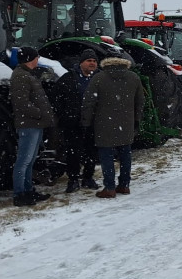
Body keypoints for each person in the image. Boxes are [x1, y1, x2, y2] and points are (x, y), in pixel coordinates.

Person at [81, 55, 144, 198]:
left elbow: (89, 102)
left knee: (106, 156)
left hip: (104, 123)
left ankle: (109, 187)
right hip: (126, 122)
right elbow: (140, 100)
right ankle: (124, 185)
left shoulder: (99, 78)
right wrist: (136, 118)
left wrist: (86, 122)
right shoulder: (133, 77)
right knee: (125, 154)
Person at [8, 47, 54, 206]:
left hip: (35, 123)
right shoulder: (21, 76)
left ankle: (28, 191)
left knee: (30, 160)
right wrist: (39, 113)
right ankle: (19, 194)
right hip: (29, 124)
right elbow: (21, 103)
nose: (38, 59)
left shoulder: (26, 75)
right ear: (30, 59)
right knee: (24, 160)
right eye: (36, 57)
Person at [51, 49, 100, 193]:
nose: (92, 63)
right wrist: (64, 114)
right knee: (73, 152)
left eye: (94, 61)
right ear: (81, 63)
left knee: (91, 151)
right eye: (89, 61)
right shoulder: (69, 78)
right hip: (73, 122)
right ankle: (73, 180)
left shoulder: (100, 79)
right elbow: (56, 97)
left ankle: (88, 178)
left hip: (93, 122)